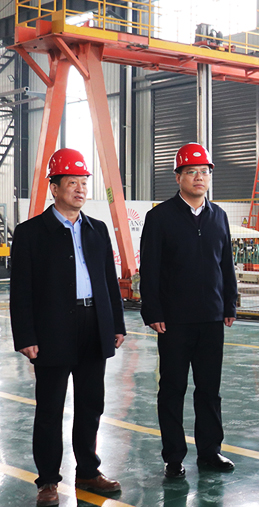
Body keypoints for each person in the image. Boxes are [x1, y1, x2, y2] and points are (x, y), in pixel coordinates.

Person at [10, 148, 125, 507]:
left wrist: (116, 324)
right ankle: (47, 481)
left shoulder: (97, 230)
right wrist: (25, 336)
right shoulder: (31, 233)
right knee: (50, 409)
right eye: (72, 182)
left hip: (93, 325)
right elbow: (21, 291)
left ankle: (88, 471)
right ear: (54, 187)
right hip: (52, 329)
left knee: (92, 404)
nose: (80, 189)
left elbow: (109, 281)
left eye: (84, 182)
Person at [140, 142, 238, 478]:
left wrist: (229, 303)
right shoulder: (160, 217)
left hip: (211, 318)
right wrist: (153, 311)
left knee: (209, 390)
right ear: (178, 177)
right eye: (192, 171)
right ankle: (173, 457)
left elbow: (226, 264)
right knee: (172, 389)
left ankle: (210, 451)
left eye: (205, 171)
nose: (199, 177)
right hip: (174, 321)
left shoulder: (218, 216)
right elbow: (150, 269)